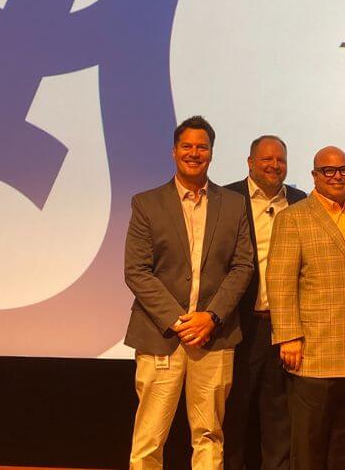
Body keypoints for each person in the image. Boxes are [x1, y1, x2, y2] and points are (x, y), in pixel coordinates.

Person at [123, 116, 254, 470]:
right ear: (174, 151)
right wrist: (179, 321)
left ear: (211, 153)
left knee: (209, 435)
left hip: (214, 336)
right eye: (187, 146)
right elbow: (136, 271)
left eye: (202, 147)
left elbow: (243, 266)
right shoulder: (146, 203)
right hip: (161, 336)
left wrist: (211, 317)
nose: (194, 153)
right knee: (149, 438)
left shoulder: (233, 204)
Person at [265, 146, 345, 470]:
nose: (337, 176)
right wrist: (288, 336)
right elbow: (279, 281)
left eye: (344, 169)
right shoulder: (293, 217)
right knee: (309, 450)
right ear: (315, 176)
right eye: (328, 171)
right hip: (314, 354)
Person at [223, 135, 306, 470]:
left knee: (280, 417)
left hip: (284, 328)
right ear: (250, 162)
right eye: (266, 159)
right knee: (233, 412)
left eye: (280, 160)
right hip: (237, 325)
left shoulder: (300, 201)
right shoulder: (226, 198)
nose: (274, 166)